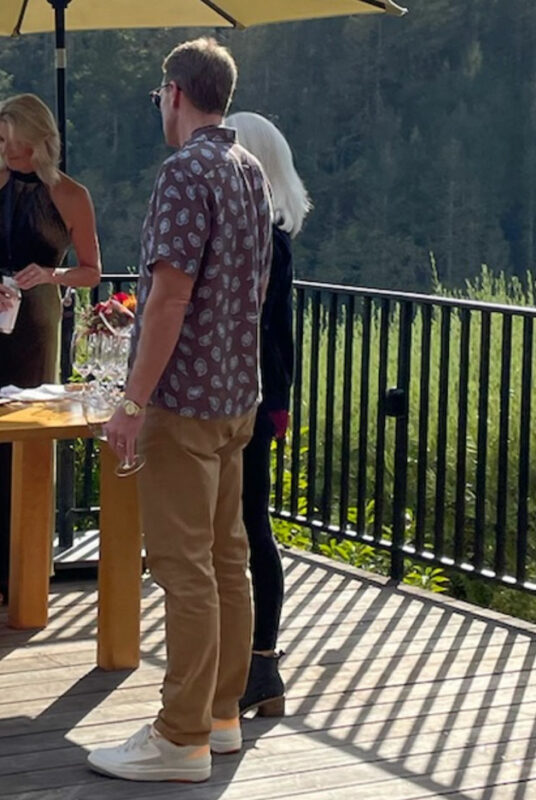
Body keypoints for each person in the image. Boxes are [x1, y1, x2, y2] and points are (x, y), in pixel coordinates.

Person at [87, 38, 273, 784]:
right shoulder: (250, 169)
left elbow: (167, 296)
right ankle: (221, 717)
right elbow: (253, 289)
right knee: (227, 560)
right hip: (235, 397)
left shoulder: (184, 172)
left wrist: (133, 400)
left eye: (158, 96)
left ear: (174, 92)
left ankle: (179, 737)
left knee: (182, 567)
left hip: (184, 400)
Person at [0, 93, 101, 604]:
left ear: (42, 140)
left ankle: (20, 564)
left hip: (35, 321)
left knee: (27, 429)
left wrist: (51, 275)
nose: (10, 152)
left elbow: (91, 271)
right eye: (3, 141)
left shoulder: (71, 195)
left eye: (19, 143)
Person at [225, 110, 311, 718]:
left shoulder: (263, 241)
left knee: (250, 527)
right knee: (251, 524)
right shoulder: (273, 237)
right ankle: (260, 665)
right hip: (264, 393)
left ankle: (259, 661)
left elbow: (265, 328)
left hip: (248, 394)